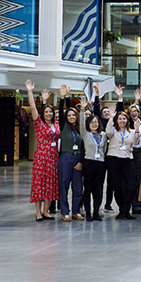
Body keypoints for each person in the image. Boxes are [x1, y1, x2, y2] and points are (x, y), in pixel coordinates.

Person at [25, 81, 58, 221]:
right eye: (46, 112)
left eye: (51, 112)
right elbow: (33, 109)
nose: (49, 114)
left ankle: (46, 211)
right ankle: (38, 213)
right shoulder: (39, 124)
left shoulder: (56, 125)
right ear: (43, 114)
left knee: (50, 184)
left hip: (53, 158)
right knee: (39, 184)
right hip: (41, 158)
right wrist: (30, 92)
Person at [105, 110, 141, 220]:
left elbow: (136, 143)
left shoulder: (132, 131)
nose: (122, 121)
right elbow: (108, 133)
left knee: (132, 186)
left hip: (127, 160)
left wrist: (137, 130)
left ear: (127, 120)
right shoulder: (113, 130)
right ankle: (122, 211)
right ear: (117, 120)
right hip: (114, 159)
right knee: (117, 187)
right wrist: (111, 118)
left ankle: (125, 210)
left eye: (124, 119)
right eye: (120, 119)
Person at [56, 85, 84, 221]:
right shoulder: (63, 126)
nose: (71, 117)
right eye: (69, 115)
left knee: (78, 188)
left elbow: (83, 147)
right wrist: (64, 98)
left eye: (73, 115)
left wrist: (81, 161)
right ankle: (64, 211)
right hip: (65, 158)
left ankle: (76, 211)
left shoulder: (80, 128)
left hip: (77, 159)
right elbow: (63, 111)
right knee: (64, 186)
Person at [78, 98, 107, 221]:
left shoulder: (104, 135)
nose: (94, 124)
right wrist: (82, 109)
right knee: (88, 189)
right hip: (88, 163)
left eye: (96, 122)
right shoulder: (86, 134)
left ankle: (96, 212)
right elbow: (81, 123)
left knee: (98, 190)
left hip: (100, 164)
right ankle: (88, 213)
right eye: (92, 122)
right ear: (88, 124)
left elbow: (104, 150)